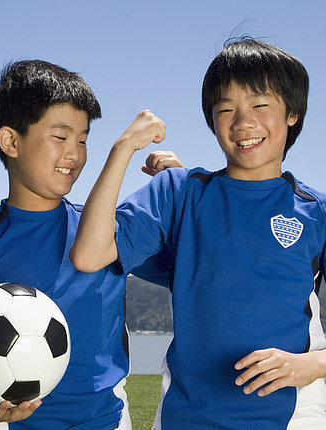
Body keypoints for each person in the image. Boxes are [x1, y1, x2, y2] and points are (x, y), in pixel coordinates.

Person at [70, 38, 326, 429]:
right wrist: (123, 148)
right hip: (185, 416)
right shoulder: (178, 192)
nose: (243, 123)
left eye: (260, 104)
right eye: (227, 109)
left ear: (292, 112)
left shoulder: (317, 211)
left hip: (293, 415)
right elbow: (89, 255)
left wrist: (311, 364)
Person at [0, 60, 183, 429]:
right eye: (60, 136)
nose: (75, 153)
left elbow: (193, 272)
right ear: (11, 141)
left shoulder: (105, 230)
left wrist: (178, 193)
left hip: (109, 420)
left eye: (83, 140)